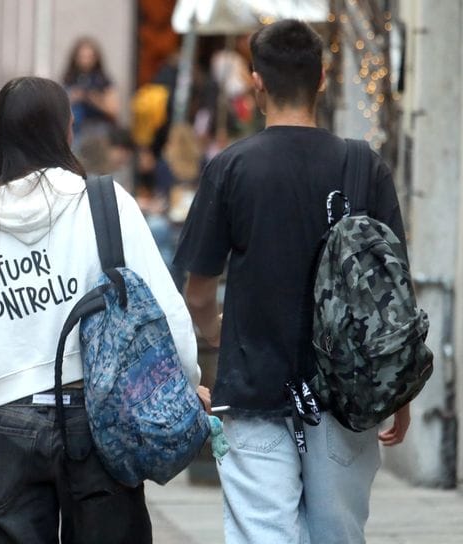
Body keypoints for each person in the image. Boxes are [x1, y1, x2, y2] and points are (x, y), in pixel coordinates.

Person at [0, 76, 200, 542]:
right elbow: (162, 310)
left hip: (7, 423)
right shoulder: (103, 202)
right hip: (98, 419)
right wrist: (186, 381)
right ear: (65, 132)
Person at [173, 20, 410, 544]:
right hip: (346, 394)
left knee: (263, 534)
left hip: (255, 387)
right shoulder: (364, 165)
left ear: (256, 82)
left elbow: (198, 291)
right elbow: (395, 292)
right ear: (323, 79)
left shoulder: (231, 167)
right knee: (339, 534)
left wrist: (213, 337)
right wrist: (399, 392)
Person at [62, 37, 119, 144]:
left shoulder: (103, 81)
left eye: (89, 57)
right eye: (82, 57)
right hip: (75, 130)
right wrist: (73, 97)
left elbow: (113, 109)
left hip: (97, 129)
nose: (85, 61)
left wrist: (91, 97)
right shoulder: (69, 79)